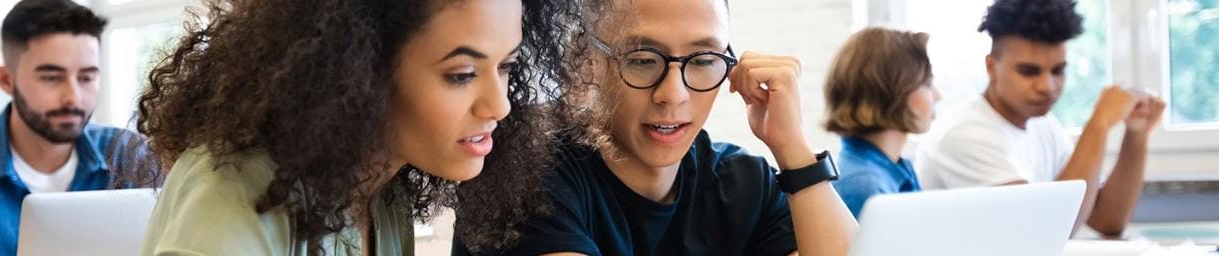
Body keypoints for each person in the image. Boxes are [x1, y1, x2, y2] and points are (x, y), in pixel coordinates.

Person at [136, 0, 580, 255]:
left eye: (506, 66)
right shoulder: (233, 191)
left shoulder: (383, 193)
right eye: (461, 74)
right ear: (359, 70)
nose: (499, 105)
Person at [453, 0, 857, 255]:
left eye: (702, 59)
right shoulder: (521, 172)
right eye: (642, 59)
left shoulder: (746, 186)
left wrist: (793, 150)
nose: (673, 94)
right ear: (585, 60)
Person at [915, 0, 1165, 237]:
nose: (1048, 86)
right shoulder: (966, 134)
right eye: (1028, 71)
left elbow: (1105, 219)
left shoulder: (1042, 124)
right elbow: (1050, 230)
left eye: (1058, 70)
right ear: (991, 67)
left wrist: (1136, 135)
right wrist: (1098, 125)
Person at [0, 0, 156, 254]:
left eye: (86, 77)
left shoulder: (129, 157)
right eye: (51, 78)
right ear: (6, 80)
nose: (73, 97)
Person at [824, 27, 940, 218]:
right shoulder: (864, 185)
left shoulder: (895, 168)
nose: (937, 96)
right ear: (894, 91)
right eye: (927, 84)